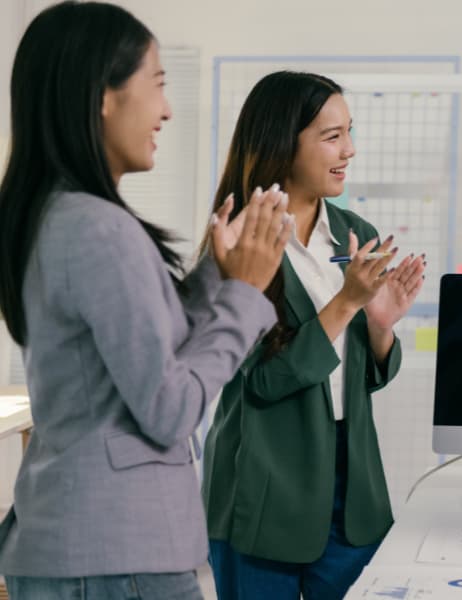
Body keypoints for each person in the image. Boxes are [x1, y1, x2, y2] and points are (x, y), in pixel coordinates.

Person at [0, 2, 291, 598]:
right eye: (157, 83)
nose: (167, 110)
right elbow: (169, 406)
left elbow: (149, 351)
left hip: (86, 544)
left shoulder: (57, 215)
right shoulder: (97, 228)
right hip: (114, 550)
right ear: (103, 96)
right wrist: (243, 294)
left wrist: (217, 275)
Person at [201, 71, 425, 600]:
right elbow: (263, 381)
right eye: (332, 136)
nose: (349, 149)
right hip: (263, 487)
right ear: (284, 142)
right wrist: (346, 302)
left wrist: (381, 327)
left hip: (353, 491)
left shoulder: (355, 234)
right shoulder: (239, 242)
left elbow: (365, 379)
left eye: (350, 132)